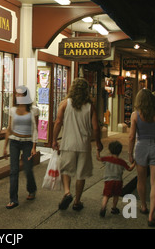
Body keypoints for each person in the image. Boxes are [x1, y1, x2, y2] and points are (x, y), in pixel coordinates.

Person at [52, 77, 103, 211]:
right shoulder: (90, 106)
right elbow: (96, 128)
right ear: (86, 91)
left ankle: (67, 192)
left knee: (66, 170)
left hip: (67, 143)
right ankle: (77, 201)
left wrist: (54, 140)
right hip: (84, 145)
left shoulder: (64, 104)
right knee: (81, 174)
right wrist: (98, 143)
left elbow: (58, 122)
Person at [128, 88, 155, 227]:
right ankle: (151, 216)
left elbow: (132, 137)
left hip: (141, 148)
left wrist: (130, 154)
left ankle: (143, 206)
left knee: (141, 180)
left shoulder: (135, 115)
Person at [3, 85, 39, 209]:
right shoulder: (13, 110)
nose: (18, 96)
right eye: (17, 94)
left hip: (28, 142)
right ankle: (13, 199)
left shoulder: (34, 110)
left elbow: (35, 129)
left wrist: (34, 146)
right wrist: (4, 146)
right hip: (14, 142)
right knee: (13, 170)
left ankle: (32, 189)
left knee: (28, 168)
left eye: (21, 94)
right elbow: (9, 128)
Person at [96, 141, 135, 217]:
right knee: (116, 195)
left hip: (108, 181)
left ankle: (103, 208)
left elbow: (98, 158)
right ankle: (114, 208)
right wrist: (135, 163)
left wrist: (98, 151)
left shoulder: (107, 159)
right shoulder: (122, 162)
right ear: (120, 151)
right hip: (118, 181)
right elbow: (129, 169)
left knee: (106, 195)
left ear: (110, 150)